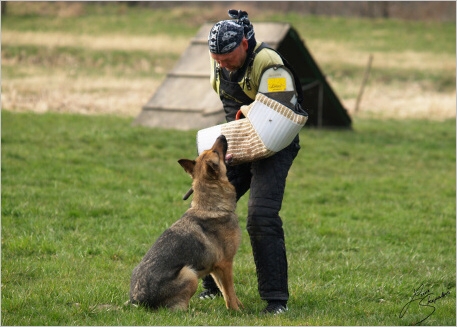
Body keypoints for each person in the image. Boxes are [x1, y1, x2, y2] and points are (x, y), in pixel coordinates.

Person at [198, 9, 306, 315]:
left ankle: (276, 301)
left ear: (245, 44)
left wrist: (243, 121)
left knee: (261, 216)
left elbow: (277, 113)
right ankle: (210, 287)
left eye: (228, 57)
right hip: (239, 142)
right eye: (216, 58)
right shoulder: (218, 61)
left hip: (276, 143)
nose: (222, 63)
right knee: (208, 208)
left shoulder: (268, 63)